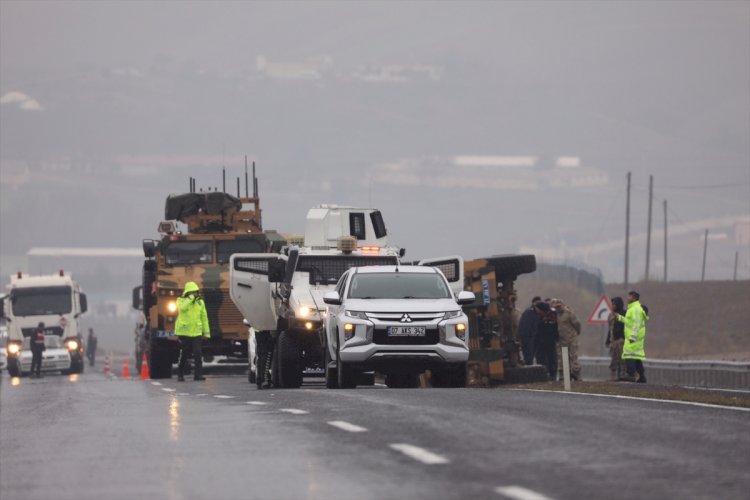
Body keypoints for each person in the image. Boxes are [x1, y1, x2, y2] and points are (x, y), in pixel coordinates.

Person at [175, 281, 210, 382]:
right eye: (192, 292)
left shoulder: (200, 302)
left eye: (196, 292)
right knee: (184, 354)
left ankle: (198, 375)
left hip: (196, 333)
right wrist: (190, 299)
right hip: (185, 333)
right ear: (188, 292)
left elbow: (204, 318)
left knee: (198, 354)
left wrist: (206, 333)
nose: (195, 294)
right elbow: (182, 308)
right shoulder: (180, 300)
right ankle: (180, 374)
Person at [615, 290, 649, 383]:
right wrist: (620, 318)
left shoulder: (635, 309)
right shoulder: (633, 309)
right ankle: (641, 376)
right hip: (635, 337)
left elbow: (637, 323)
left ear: (633, 297)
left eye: (629, 296)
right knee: (636, 357)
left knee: (629, 355)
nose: (627, 298)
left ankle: (631, 375)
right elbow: (629, 322)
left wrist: (633, 336)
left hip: (634, 337)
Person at [552, 298, 582, 381]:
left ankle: (576, 374)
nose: (558, 308)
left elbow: (577, 324)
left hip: (571, 338)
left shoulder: (569, 313)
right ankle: (564, 375)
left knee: (573, 356)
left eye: (559, 306)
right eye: (556, 307)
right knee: (563, 357)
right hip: (562, 339)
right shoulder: (556, 315)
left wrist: (577, 333)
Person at [534, 301, 559, 380]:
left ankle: (552, 375)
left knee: (551, 358)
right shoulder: (537, 316)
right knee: (543, 358)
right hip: (541, 342)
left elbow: (556, 328)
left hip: (549, 341)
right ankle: (545, 374)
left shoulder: (552, 316)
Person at [606, 297, 627, 381]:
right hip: (613, 341)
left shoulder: (624, 314)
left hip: (622, 341)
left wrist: (624, 338)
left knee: (622, 359)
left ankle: (623, 374)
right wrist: (608, 340)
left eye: (614, 304)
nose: (612, 306)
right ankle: (613, 377)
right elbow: (610, 328)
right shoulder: (611, 315)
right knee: (613, 360)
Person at [518, 296, 541, 366]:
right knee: (528, 355)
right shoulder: (529, 312)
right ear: (533, 303)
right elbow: (525, 326)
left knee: (532, 354)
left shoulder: (536, 312)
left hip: (533, 337)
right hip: (528, 337)